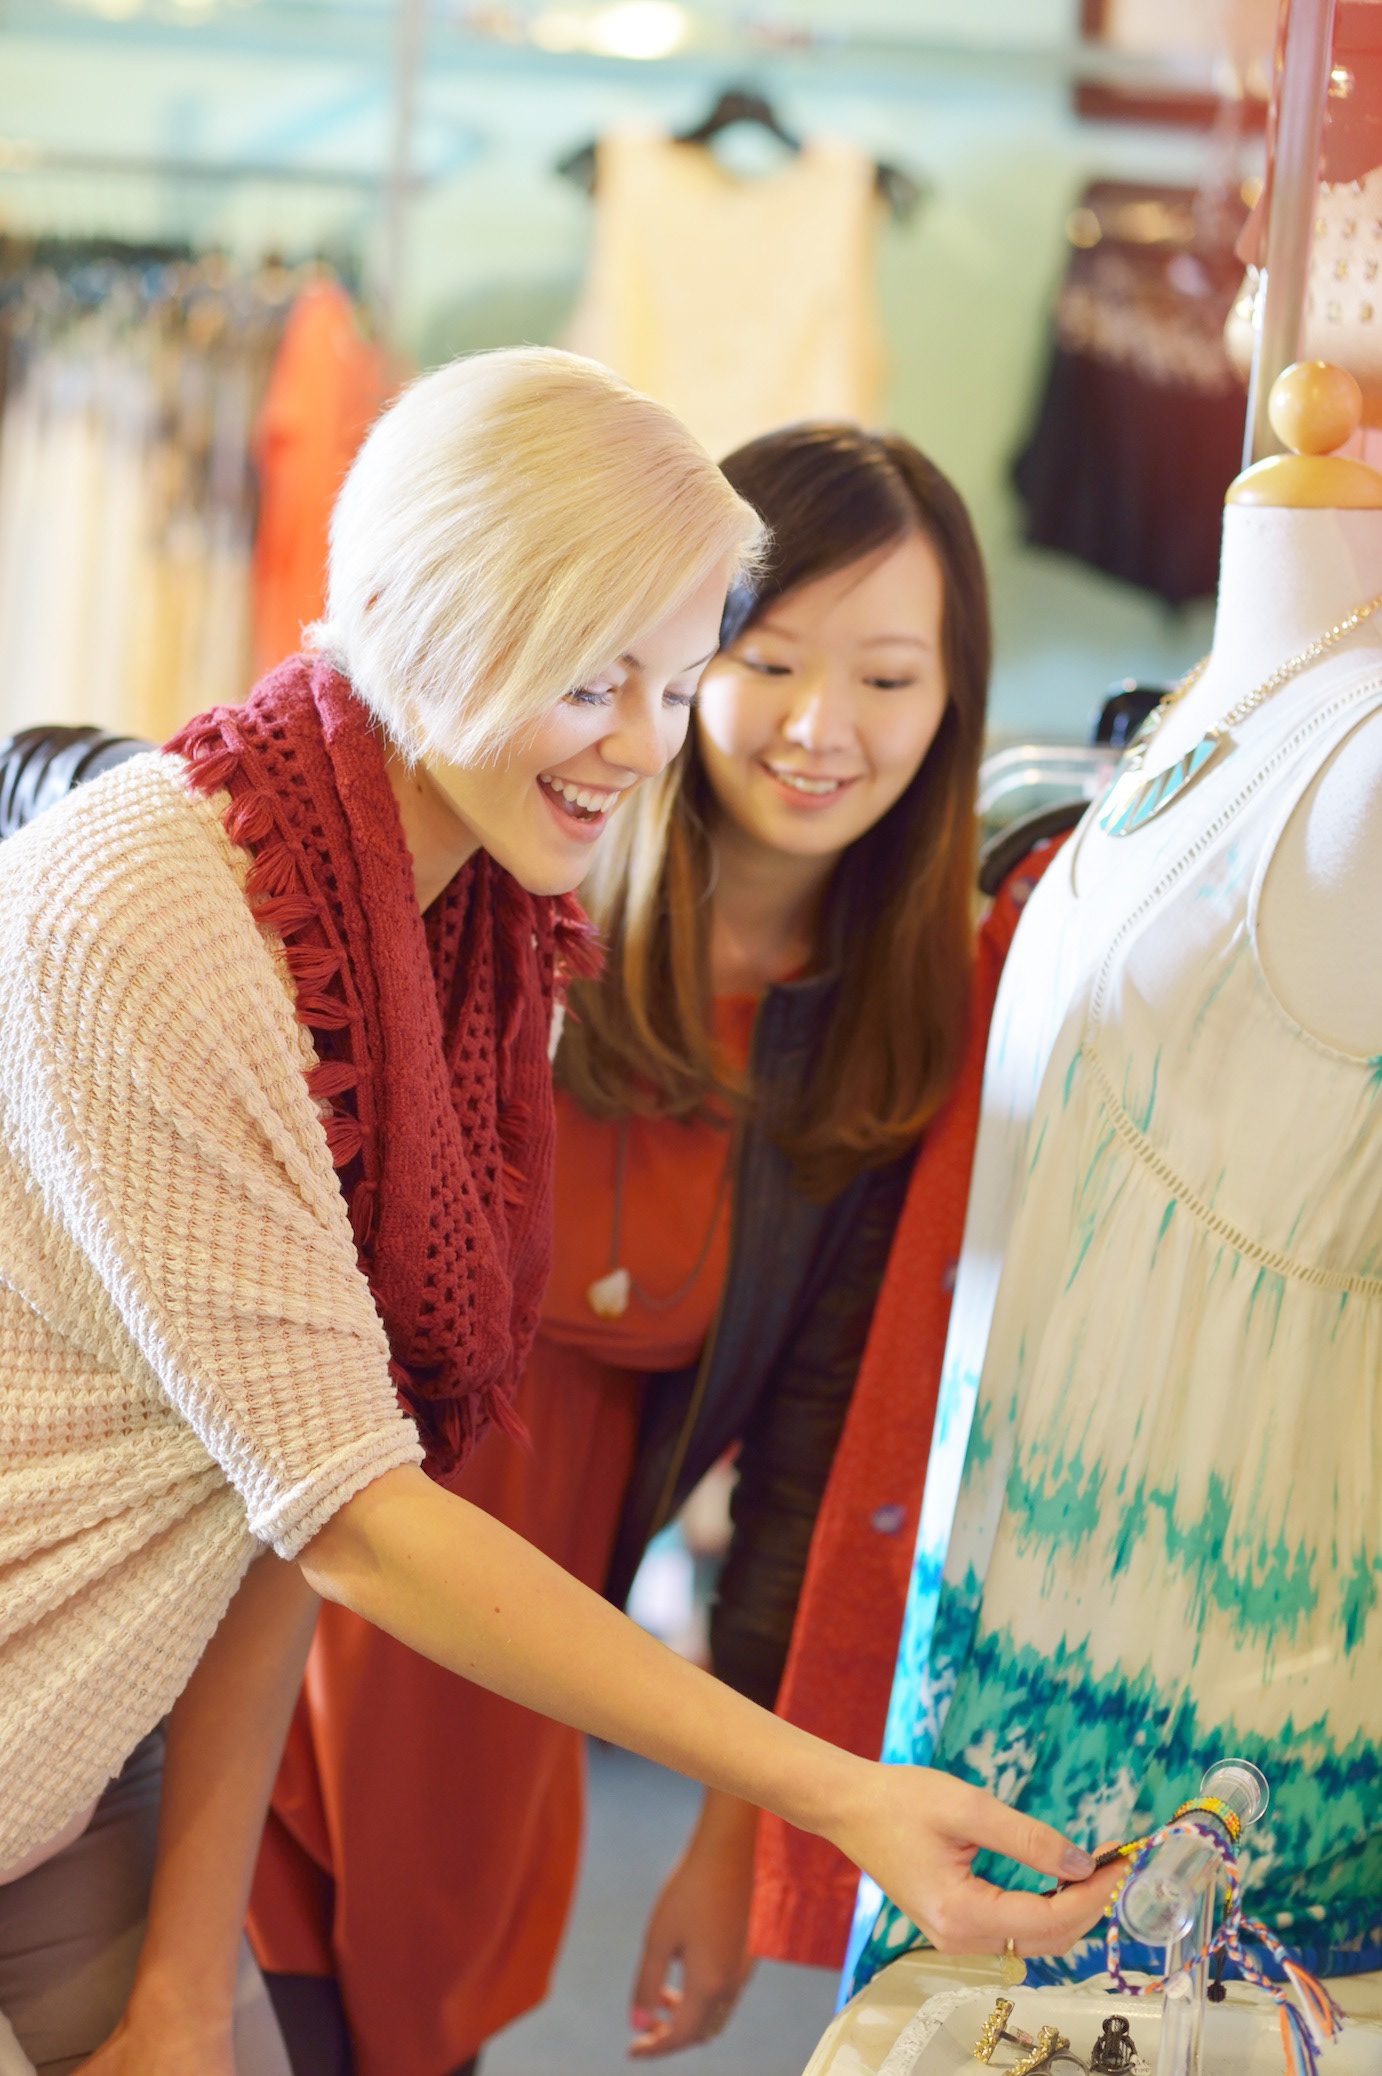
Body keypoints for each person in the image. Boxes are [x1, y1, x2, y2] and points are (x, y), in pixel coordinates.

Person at [0, 356, 1115, 2076]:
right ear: (409, 615)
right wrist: (829, 1792)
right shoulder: (175, 911)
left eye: (670, 680)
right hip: (196, 1684)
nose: (646, 743)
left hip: (131, 1727)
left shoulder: (466, 942)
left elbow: (285, 1492)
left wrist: (182, 1986)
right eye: (595, 679)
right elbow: (343, 1511)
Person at [247, 422, 1021, 2076]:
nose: (819, 728)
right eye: (765, 660)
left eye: (888, 678)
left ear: (953, 699)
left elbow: (804, 1469)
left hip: (510, 1702)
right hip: (275, 1624)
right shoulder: (505, 910)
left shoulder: (891, 1037)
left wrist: (739, 1837)